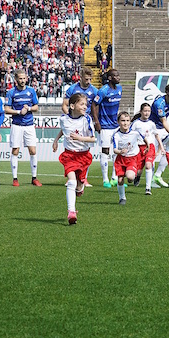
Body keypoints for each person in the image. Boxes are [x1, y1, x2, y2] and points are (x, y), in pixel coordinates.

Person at [53, 93, 96, 225]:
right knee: (71, 181)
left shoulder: (87, 120)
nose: (85, 106)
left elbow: (93, 138)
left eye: (85, 104)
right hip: (69, 155)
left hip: (83, 156)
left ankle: (80, 186)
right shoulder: (63, 119)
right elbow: (64, 129)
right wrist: (56, 140)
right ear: (72, 106)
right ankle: (71, 211)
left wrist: (80, 138)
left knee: (79, 184)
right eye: (82, 104)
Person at [62, 67, 98, 187]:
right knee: (71, 147)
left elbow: (95, 106)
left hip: (86, 122)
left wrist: (96, 120)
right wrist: (71, 117)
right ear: (81, 77)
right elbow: (64, 105)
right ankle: (70, 174)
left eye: (90, 79)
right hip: (73, 119)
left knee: (86, 150)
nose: (88, 81)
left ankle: (84, 178)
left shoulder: (94, 90)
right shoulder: (72, 88)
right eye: (86, 79)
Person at [5, 69, 41, 187]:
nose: (22, 80)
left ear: (26, 78)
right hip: (17, 125)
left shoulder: (31, 91)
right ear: (16, 80)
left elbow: (36, 107)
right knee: (15, 150)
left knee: (33, 151)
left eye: (24, 78)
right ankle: (15, 178)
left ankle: (34, 177)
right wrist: (19, 112)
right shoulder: (11, 92)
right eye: (20, 78)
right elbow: (6, 109)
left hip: (29, 125)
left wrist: (29, 109)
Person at [92, 68, 122, 188]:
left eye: (118, 75)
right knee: (105, 151)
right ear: (110, 78)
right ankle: (105, 179)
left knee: (117, 152)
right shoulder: (103, 90)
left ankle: (115, 177)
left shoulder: (119, 89)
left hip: (116, 125)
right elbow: (94, 104)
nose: (118, 77)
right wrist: (97, 121)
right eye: (116, 76)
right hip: (105, 126)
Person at [130, 103, 165, 194]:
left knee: (148, 165)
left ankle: (148, 188)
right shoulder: (136, 123)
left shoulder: (151, 124)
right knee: (138, 171)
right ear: (141, 111)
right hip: (139, 147)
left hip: (150, 147)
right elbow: (131, 135)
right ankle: (137, 177)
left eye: (148, 111)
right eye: (145, 111)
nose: (147, 113)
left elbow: (157, 136)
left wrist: (161, 148)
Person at [112, 112, 144, 205]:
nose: (125, 123)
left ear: (130, 122)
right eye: (122, 121)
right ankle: (122, 198)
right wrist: (120, 151)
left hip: (133, 158)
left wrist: (147, 146)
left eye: (127, 121)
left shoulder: (135, 133)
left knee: (130, 177)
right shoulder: (116, 135)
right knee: (120, 180)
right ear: (118, 122)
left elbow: (144, 138)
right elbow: (114, 149)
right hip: (121, 159)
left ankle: (132, 176)